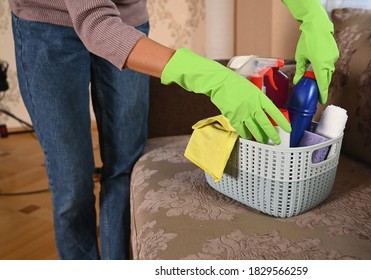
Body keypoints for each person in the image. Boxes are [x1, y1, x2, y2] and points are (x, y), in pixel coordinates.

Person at [8, 0, 338, 259]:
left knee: (124, 166)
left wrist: (310, 14)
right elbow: (94, 22)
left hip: (128, 21)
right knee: (71, 182)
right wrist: (211, 77)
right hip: (45, 26)